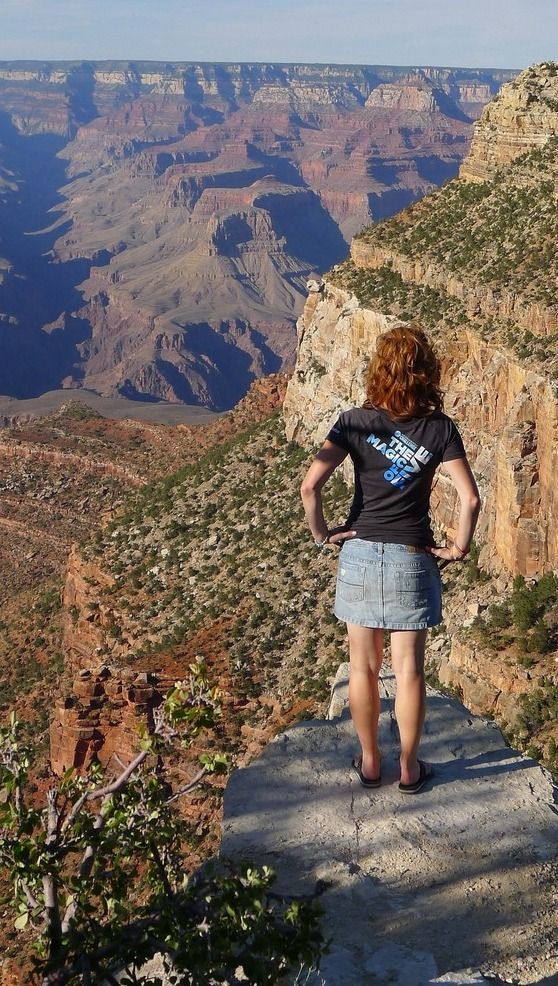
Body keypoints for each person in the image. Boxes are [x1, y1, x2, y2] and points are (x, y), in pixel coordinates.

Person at [300, 323, 480, 794]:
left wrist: (324, 535)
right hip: (411, 556)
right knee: (409, 671)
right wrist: (458, 548)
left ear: (379, 370)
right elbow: (471, 499)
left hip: (359, 554)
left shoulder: (354, 421)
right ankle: (409, 768)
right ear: (427, 373)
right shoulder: (439, 429)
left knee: (361, 667)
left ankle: (371, 762)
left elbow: (309, 486)